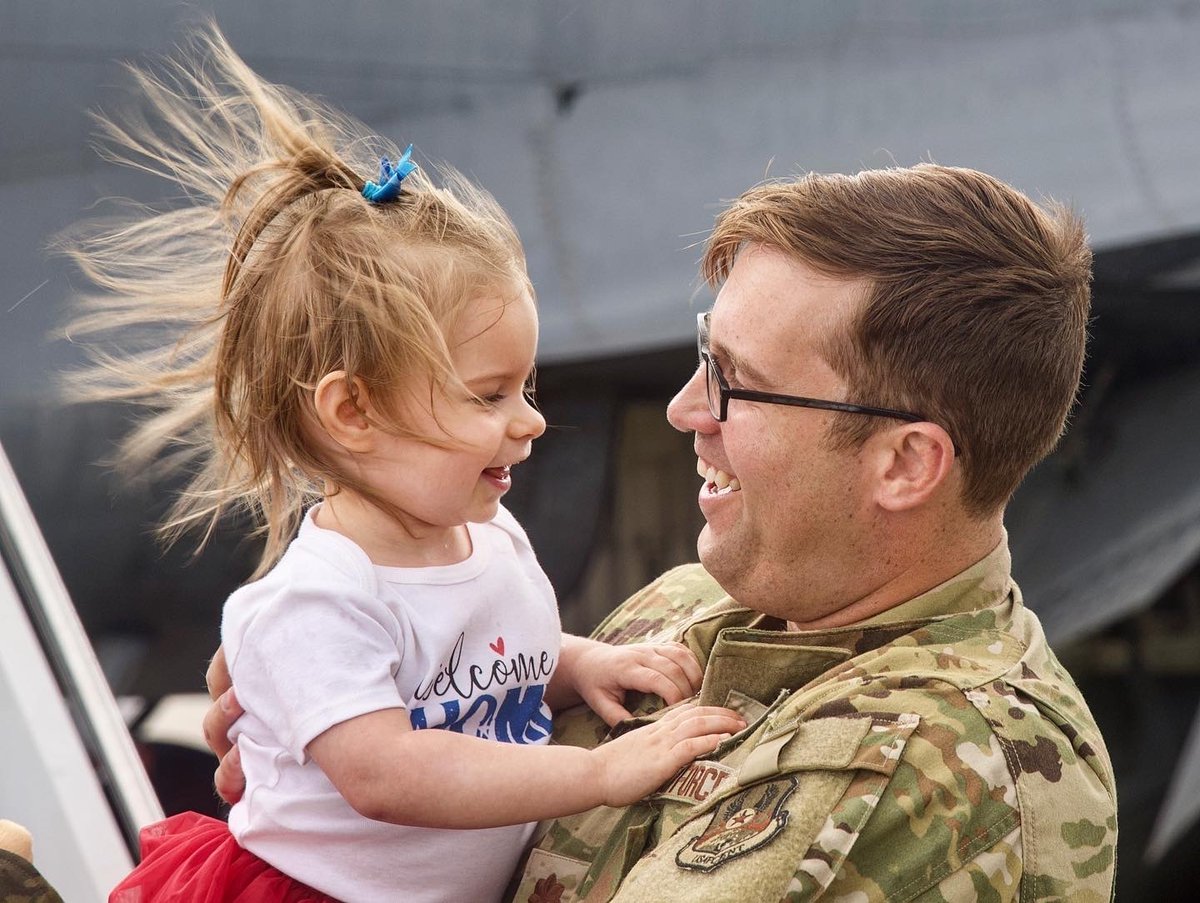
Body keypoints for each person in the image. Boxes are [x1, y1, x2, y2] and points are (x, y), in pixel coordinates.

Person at [205, 160, 1118, 901]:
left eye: (736, 381)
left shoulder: (908, 767)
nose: (685, 410)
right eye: (699, 354)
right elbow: (431, 741)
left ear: (905, 464)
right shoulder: (694, 603)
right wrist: (328, 693)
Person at [64, 25, 744, 903]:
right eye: (487, 395)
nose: (531, 421)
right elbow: (389, 770)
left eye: (525, 387)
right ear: (353, 413)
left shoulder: (485, 534)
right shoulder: (316, 598)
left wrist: (576, 664)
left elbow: (475, 667)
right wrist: (601, 775)